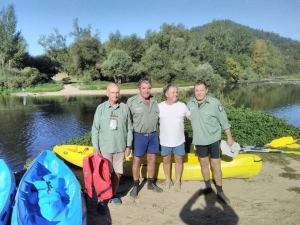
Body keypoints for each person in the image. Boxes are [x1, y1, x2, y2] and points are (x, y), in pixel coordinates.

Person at [187, 80, 234, 204]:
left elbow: (224, 121)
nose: (199, 93)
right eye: (197, 90)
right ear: (194, 91)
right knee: (203, 163)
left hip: (214, 140)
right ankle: (208, 187)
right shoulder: (190, 104)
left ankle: (220, 191)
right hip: (200, 141)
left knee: (216, 165)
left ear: (206, 90)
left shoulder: (215, 103)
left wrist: (229, 137)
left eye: (201, 90)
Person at [91, 83, 133, 215]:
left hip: (120, 148)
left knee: (117, 174)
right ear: (107, 93)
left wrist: (128, 146)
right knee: (104, 175)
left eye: (117, 92)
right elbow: (95, 129)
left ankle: (113, 194)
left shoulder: (125, 108)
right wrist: (96, 147)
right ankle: (102, 199)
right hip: (105, 148)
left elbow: (130, 128)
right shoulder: (101, 109)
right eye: (113, 92)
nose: (115, 95)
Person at [126, 77, 163, 197]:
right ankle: (136, 185)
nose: (146, 91)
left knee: (152, 159)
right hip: (138, 136)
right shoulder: (131, 102)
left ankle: (151, 183)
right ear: (139, 89)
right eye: (144, 88)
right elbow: (127, 122)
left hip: (152, 135)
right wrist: (128, 141)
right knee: (137, 161)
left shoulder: (154, 101)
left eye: (148, 88)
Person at [158, 84, 191, 191]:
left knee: (178, 160)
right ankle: (168, 180)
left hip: (179, 140)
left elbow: (192, 118)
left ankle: (177, 181)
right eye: (173, 92)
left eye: (177, 92)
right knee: (166, 160)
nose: (176, 94)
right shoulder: (159, 107)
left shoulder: (182, 106)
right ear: (166, 94)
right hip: (165, 140)